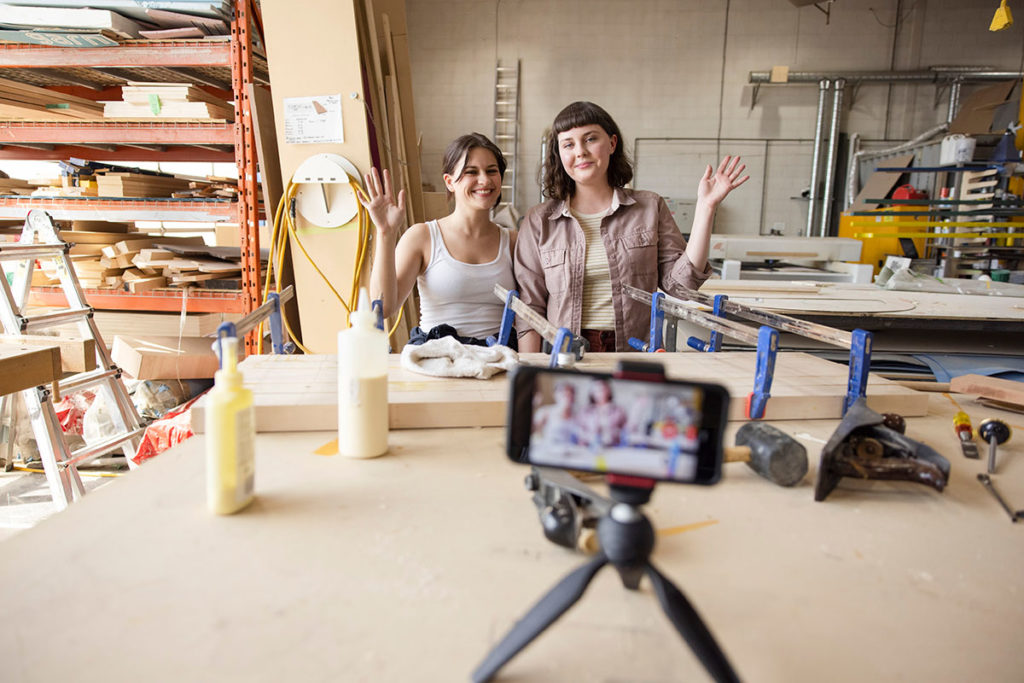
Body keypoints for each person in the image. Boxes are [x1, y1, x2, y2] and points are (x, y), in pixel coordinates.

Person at [514, 101, 749, 352]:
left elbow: (681, 287)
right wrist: (531, 370)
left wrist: (706, 208)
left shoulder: (649, 207)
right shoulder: (540, 221)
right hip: (565, 355)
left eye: (590, 139)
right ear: (560, 155)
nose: (580, 151)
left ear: (612, 143)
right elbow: (529, 309)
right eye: (568, 144)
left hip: (634, 351)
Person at [363, 133, 517, 347]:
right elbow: (383, 307)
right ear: (449, 182)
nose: (484, 180)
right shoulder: (423, 237)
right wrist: (385, 233)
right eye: (470, 172)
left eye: (492, 171)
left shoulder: (513, 240)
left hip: (496, 358)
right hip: (435, 355)